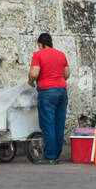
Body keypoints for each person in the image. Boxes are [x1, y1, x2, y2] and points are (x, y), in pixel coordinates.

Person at [28, 33, 70, 164]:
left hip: (47, 92)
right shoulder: (61, 54)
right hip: (62, 92)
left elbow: (35, 73)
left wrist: (30, 80)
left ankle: (50, 156)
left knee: (48, 124)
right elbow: (67, 73)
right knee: (59, 123)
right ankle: (56, 154)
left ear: (40, 44)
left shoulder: (38, 54)